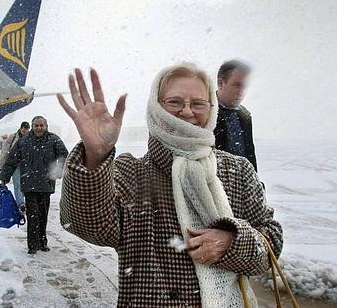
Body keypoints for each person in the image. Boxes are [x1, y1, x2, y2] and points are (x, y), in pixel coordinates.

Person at [57, 66, 282, 307]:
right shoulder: (131, 172)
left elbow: (271, 242)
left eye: (198, 103)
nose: (186, 112)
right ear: (156, 108)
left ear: (212, 108)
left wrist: (232, 243)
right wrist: (95, 155)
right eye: (174, 102)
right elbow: (88, 225)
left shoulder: (238, 171)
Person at [0, 116, 68, 254]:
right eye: (36, 125)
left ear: (46, 126)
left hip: (46, 185)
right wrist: (3, 178)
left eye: (41, 125)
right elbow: (11, 161)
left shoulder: (54, 140)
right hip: (29, 185)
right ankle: (32, 245)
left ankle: (42, 242)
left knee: (43, 215)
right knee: (32, 216)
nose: (39, 128)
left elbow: (64, 156)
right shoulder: (23, 142)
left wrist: (58, 171)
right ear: (32, 126)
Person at [214, 60, 258, 171]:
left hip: (241, 183)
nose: (241, 91)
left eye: (244, 86)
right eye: (237, 85)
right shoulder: (203, 112)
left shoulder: (245, 116)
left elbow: (250, 157)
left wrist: (257, 184)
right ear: (220, 83)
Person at [0, 121, 30, 210]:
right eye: (23, 131)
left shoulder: (31, 138)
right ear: (20, 129)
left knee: (26, 184)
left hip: (26, 165)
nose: (25, 133)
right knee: (17, 183)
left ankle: (24, 199)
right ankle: (21, 203)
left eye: (26, 131)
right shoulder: (13, 137)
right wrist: (2, 163)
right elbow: (5, 150)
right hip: (15, 164)